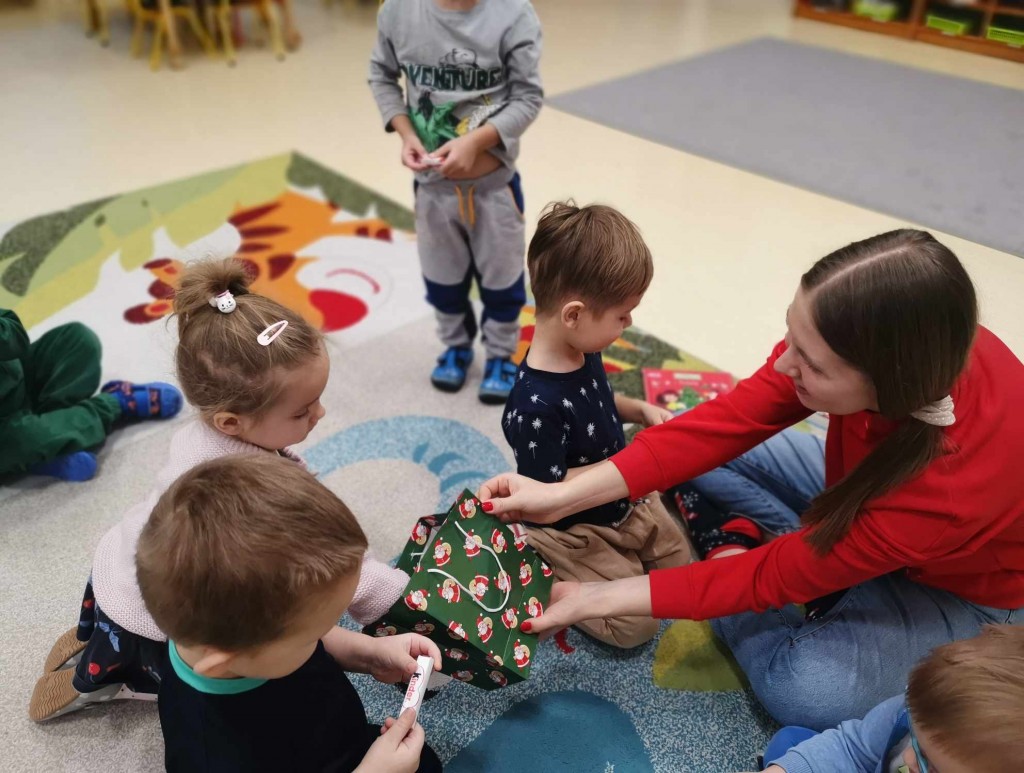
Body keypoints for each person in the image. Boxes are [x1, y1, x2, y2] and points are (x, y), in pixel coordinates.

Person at [476, 229, 1024, 729]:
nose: (784, 365)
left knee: (803, 691)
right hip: (866, 503)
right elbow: (726, 423)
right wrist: (562, 495)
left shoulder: (949, 492)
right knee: (689, 441)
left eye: (810, 364)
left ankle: (731, 547)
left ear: (887, 381)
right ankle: (773, 553)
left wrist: (593, 597)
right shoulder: (918, 332)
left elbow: (777, 576)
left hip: (953, 583)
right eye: (791, 335)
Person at [29, 258, 409, 722]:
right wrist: (399, 598)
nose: (321, 414)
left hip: (124, 563)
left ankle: (96, 639)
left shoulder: (206, 434)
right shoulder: (246, 493)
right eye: (302, 411)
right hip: (155, 614)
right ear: (231, 422)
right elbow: (321, 556)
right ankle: (115, 677)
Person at [138, 454, 444, 773]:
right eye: (313, 636)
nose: (322, 636)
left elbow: (313, 635)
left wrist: (370, 654)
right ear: (225, 661)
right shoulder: (207, 755)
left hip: (333, 734)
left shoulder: (240, 632)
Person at [500, 202, 691, 648]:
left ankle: (621, 558)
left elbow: (597, 401)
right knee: (634, 628)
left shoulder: (584, 347)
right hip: (577, 528)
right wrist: (631, 463)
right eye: (622, 315)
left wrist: (638, 410)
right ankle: (547, 571)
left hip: (628, 497)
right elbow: (547, 492)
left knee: (681, 572)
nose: (630, 322)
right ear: (574, 315)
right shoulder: (533, 408)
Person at [368, 0, 543, 403]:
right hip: (432, 192)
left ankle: (499, 355)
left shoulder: (514, 14)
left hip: (495, 191)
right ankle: (456, 347)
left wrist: (476, 142)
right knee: (442, 279)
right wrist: (406, 133)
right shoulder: (398, 12)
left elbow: (528, 98)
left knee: (502, 282)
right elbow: (381, 75)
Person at [755, 625, 1024, 773]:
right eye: (915, 740)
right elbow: (852, 748)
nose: (908, 756)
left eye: (930, 767)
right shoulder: (917, 712)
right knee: (789, 743)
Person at [0, 309, 182, 481]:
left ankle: (49, 444)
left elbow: (17, 337)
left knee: (77, 339)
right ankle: (114, 403)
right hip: (7, 436)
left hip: (19, 382)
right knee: (23, 440)